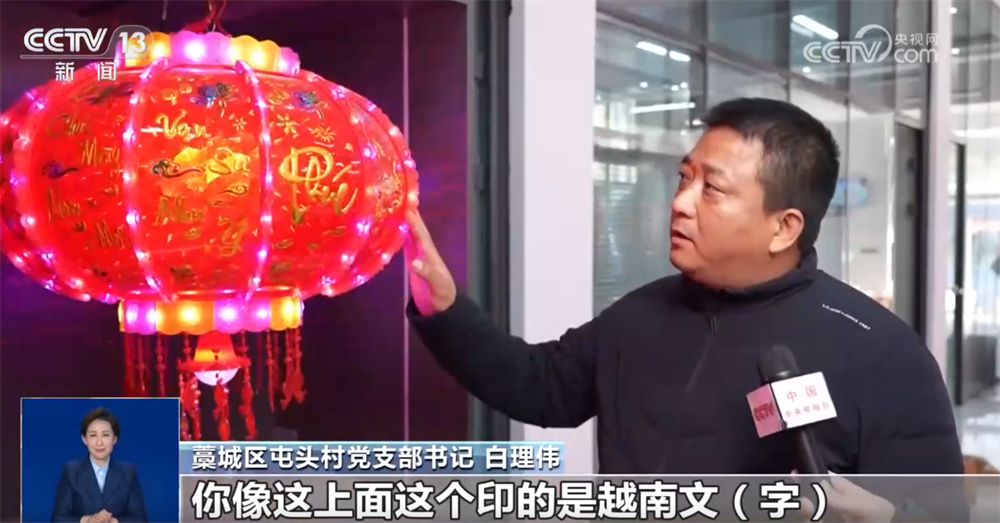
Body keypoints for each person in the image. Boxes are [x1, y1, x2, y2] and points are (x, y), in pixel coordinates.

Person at [405, 98, 966, 521]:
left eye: (711, 189)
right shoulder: (639, 315)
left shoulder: (880, 352)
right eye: (684, 177)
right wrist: (444, 307)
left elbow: (942, 512)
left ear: (783, 227)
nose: (679, 203)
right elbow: (539, 385)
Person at [51, 407, 148, 523]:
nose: (99, 442)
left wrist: (113, 521)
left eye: (105, 435)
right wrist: (87, 520)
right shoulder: (71, 471)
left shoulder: (128, 472)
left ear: (115, 439)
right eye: (93, 435)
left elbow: (141, 519)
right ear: (84, 439)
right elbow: (58, 519)